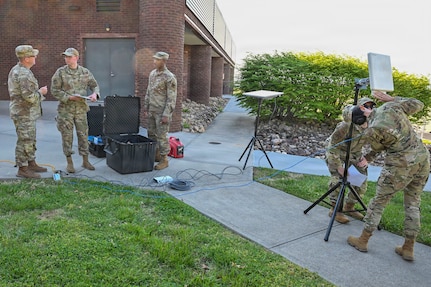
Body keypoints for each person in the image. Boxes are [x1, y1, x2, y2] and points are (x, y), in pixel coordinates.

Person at [347, 90, 430, 261]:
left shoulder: (371, 130)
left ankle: (362, 240)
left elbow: (378, 147)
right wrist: (392, 98)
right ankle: (408, 247)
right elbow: (418, 104)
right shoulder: (391, 106)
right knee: (413, 203)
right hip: (422, 159)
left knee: (378, 202)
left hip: (400, 164)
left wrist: (368, 153)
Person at [325, 97, 376, 223]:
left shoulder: (373, 126)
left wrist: (368, 158)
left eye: (371, 107)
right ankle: (335, 209)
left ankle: (350, 207)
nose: (369, 109)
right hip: (337, 153)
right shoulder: (345, 126)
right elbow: (332, 148)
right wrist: (339, 167)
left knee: (360, 179)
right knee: (338, 179)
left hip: (355, 154)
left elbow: (380, 145)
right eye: (365, 107)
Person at [50, 48, 99, 173]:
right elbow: (54, 90)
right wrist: (69, 97)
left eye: (70, 57)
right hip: (66, 110)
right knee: (67, 136)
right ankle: (69, 162)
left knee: (83, 135)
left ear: (76, 58)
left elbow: (94, 85)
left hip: (81, 109)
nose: (67, 59)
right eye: (66, 57)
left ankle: (85, 160)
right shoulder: (60, 72)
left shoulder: (84, 72)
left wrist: (95, 94)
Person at [8, 45, 48, 179]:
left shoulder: (21, 70)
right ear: (26, 59)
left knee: (30, 139)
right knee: (25, 140)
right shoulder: (23, 73)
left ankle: (31, 163)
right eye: (33, 55)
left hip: (26, 112)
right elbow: (29, 97)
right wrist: (41, 93)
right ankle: (23, 168)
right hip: (23, 112)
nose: (35, 57)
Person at [144, 51, 178, 170]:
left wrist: (166, 114)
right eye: (154, 59)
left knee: (162, 136)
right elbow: (149, 91)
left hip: (161, 111)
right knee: (151, 134)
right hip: (152, 109)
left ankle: (164, 159)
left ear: (163, 61)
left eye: (157, 60)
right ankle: (156, 155)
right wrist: (146, 106)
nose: (154, 61)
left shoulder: (169, 77)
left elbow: (171, 98)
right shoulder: (152, 74)